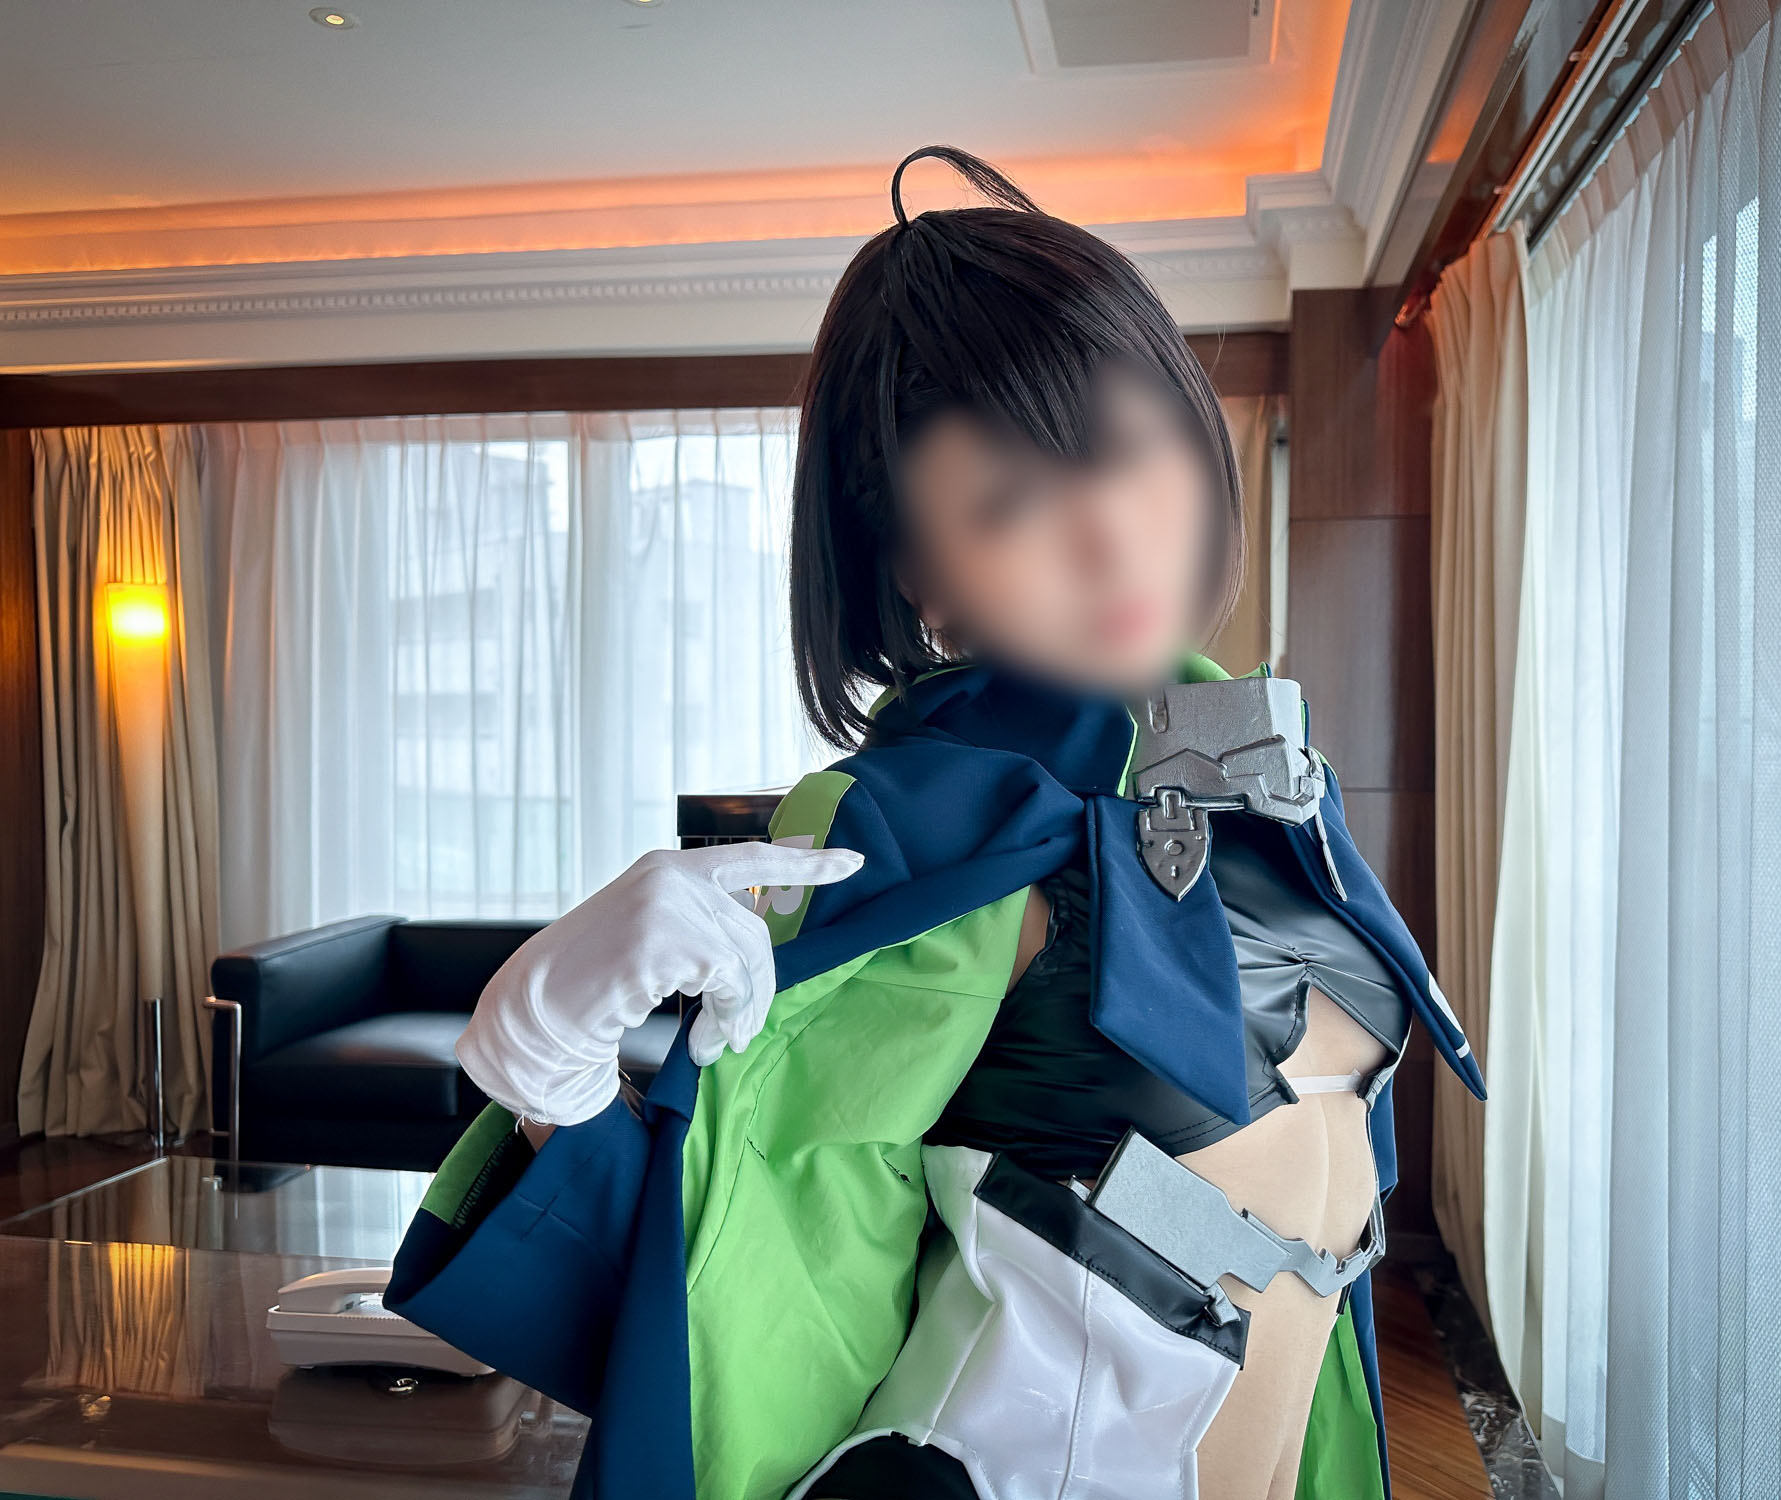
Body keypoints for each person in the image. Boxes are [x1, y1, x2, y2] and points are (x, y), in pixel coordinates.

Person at [385, 145, 1484, 1500]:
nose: (1111, 534)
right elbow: (775, 1249)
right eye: (1011, 501)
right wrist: (550, 1070)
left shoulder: (1254, 763)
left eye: (1128, 444)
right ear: (925, 581)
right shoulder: (913, 826)